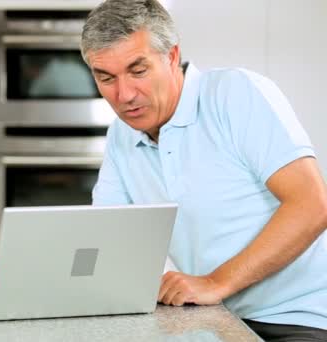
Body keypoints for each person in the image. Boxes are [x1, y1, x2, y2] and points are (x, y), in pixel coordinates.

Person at [81, 0, 327, 340]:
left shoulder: (235, 94)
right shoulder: (121, 135)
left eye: (138, 71)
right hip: (210, 322)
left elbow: (313, 205)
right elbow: (108, 234)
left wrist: (215, 283)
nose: (124, 95)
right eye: (106, 78)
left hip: (298, 320)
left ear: (171, 56)